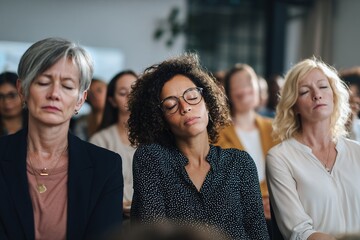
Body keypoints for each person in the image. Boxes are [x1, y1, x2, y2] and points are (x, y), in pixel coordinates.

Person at [127, 53, 269, 240]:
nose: (185, 107)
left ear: (208, 103)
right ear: (160, 119)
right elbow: (152, 233)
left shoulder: (240, 163)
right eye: (171, 105)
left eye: (192, 96)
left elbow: (259, 235)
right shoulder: (152, 159)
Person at [0, 37, 123, 240]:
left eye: (67, 86)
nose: (54, 94)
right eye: (43, 82)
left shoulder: (105, 166)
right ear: (22, 90)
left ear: (80, 100)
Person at [266, 57, 360, 240]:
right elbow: (299, 231)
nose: (317, 95)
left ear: (334, 95)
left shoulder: (357, 151)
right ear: (294, 105)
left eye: (323, 87)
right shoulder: (280, 157)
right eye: (304, 91)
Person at [215, 64, 278, 226]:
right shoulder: (216, 134)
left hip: (277, 212)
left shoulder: (276, 129)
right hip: (237, 219)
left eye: (249, 82)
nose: (245, 89)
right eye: (237, 85)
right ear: (228, 93)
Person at [90, 70, 137, 219]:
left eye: (135, 90)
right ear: (112, 100)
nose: (130, 96)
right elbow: (93, 189)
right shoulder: (100, 140)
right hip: (112, 218)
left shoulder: (156, 138)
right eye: (123, 93)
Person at [0, 71, 27, 136]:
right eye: (0, 97)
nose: (6, 102)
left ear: (22, 94)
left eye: (12, 95)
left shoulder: (36, 127)